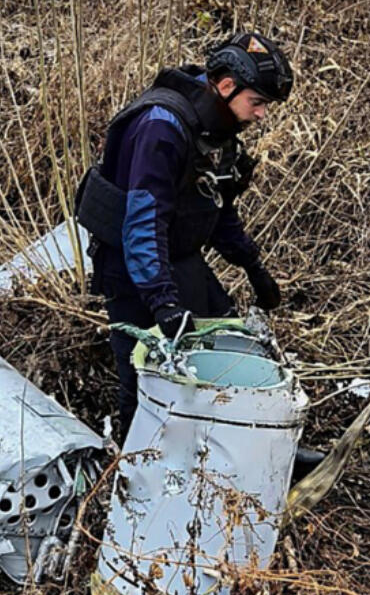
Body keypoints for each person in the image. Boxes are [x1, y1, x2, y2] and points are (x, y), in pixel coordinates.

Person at [75, 32, 292, 436]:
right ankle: (134, 470)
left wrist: (252, 265)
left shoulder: (218, 127)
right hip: (130, 265)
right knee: (145, 377)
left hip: (179, 254)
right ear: (227, 86)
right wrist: (163, 305)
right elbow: (142, 223)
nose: (262, 114)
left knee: (227, 347)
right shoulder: (162, 129)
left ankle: (238, 449)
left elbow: (214, 205)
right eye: (257, 103)